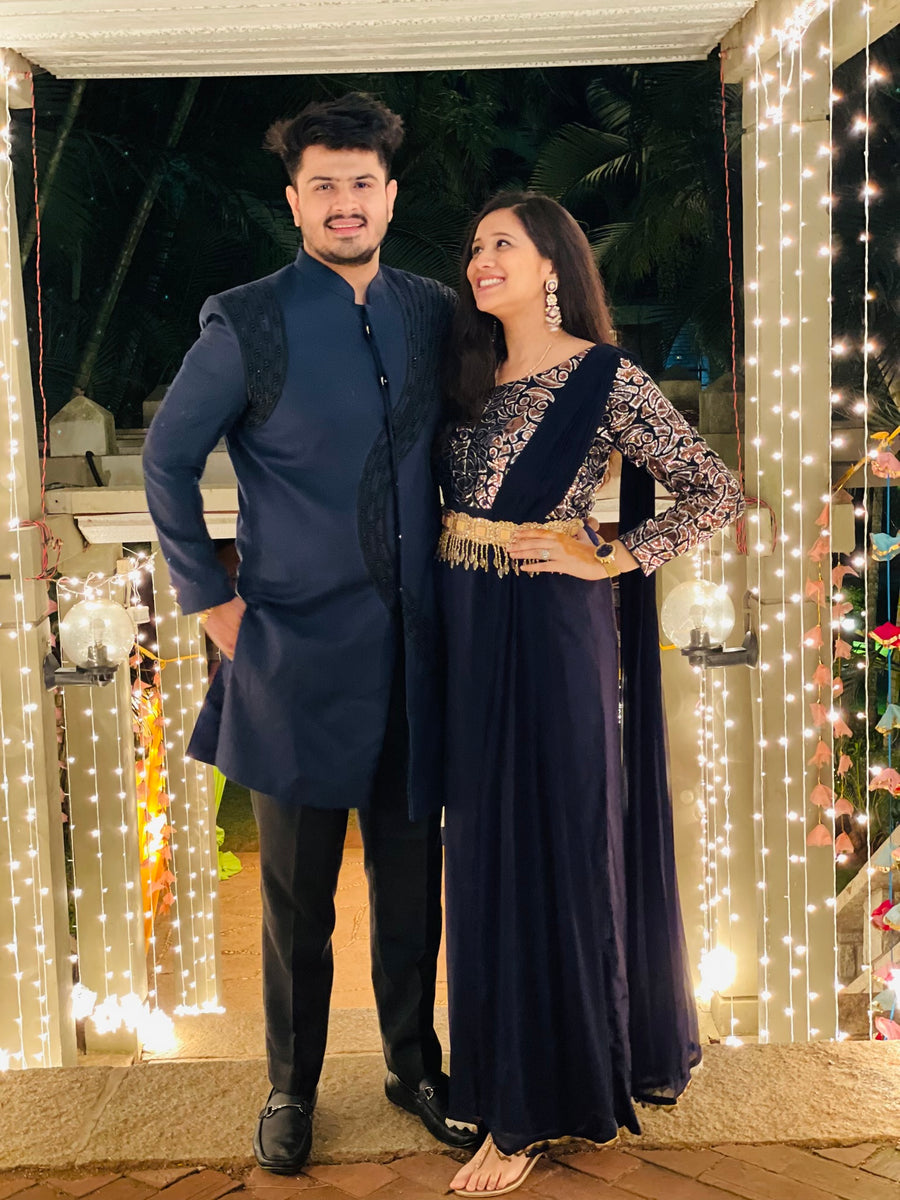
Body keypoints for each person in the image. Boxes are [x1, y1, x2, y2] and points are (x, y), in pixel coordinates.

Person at [142, 93, 480, 1173]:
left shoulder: (435, 312)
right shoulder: (246, 321)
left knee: (412, 886)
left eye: (361, 184)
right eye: (324, 185)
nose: (345, 202)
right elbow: (166, 461)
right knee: (295, 904)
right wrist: (214, 604)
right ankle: (290, 1087)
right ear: (294, 201)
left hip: (419, 653)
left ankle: (415, 1068)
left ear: (391, 196)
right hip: (290, 658)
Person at [437, 192, 745, 1198]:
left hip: (553, 629)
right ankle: (498, 1076)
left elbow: (713, 488)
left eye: (503, 244)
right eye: (475, 246)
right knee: (484, 849)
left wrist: (609, 555)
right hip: (468, 629)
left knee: (559, 841)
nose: (481, 260)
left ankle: (541, 1104)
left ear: (553, 265)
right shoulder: (467, 373)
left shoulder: (604, 377)